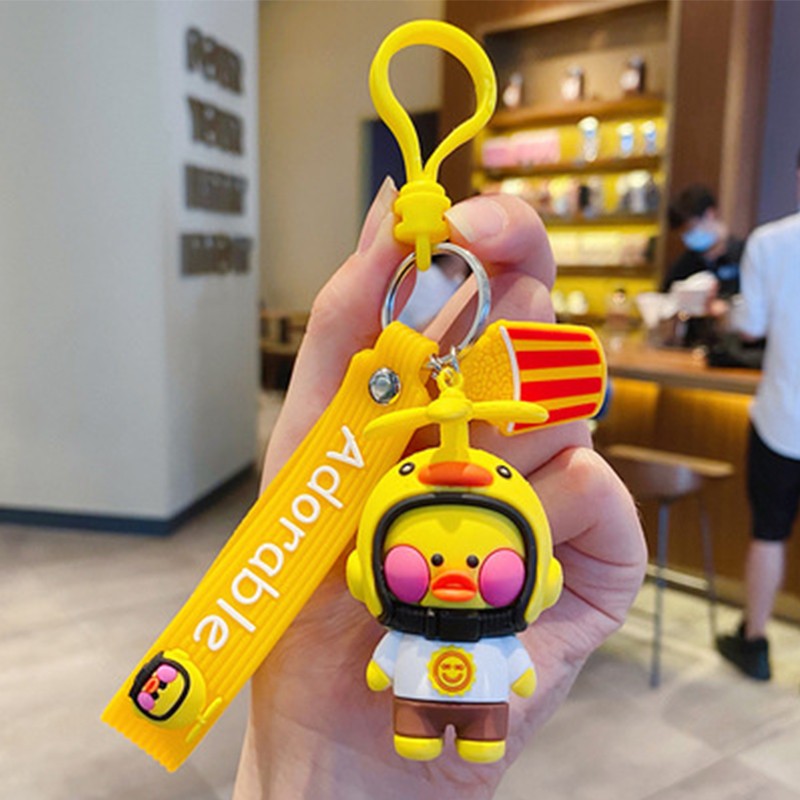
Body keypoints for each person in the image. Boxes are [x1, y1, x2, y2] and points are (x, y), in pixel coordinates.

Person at [232, 180, 646, 799]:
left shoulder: (492, 631)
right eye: (411, 563)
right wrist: (309, 762)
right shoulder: (399, 628)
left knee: (480, 730)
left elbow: (514, 671)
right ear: (368, 574)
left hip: (470, 696)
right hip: (403, 699)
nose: (455, 577)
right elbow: (388, 669)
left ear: (540, 580)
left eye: (489, 567)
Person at [716, 207, 800, 681]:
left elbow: (751, 327)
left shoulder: (770, 241)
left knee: (769, 533)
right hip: (781, 416)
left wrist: (724, 312)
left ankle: (755, 641)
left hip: (784, 419)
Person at [662, 184, 744, 297]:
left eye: (691, 228)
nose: (688, 236)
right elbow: (666, 297)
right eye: (683, 232)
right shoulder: (684, 265)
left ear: (710, 214)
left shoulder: (743, 255)